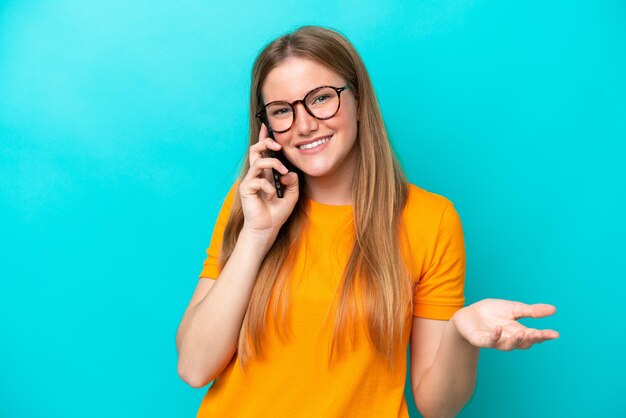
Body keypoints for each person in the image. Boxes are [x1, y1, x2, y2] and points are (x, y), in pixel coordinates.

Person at [175, 25, 559, 418]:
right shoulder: (251, 202)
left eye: (321, 98)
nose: (304, 124)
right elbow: (193, 366)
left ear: (358, 98)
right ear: (266, 127)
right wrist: (257, 234)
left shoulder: (431, 219)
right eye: (281, 111)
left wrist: (461, 334)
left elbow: (436, 407)